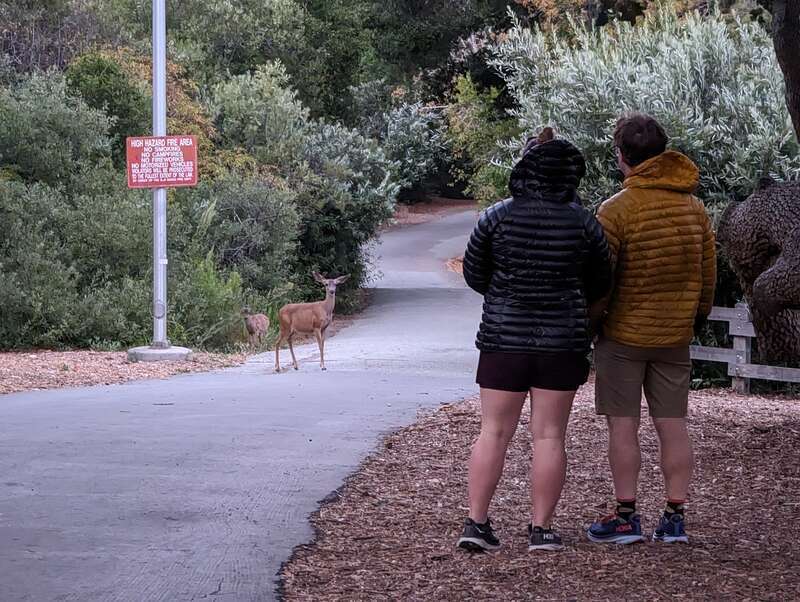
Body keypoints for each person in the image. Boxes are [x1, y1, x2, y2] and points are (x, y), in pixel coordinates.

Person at [457, 128, 612, 553]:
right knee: (548, 437)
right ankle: (541, 530)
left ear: (524, 166)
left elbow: (474, 273)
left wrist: (505, 292)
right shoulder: (584, 223)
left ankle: (476, 523)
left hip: (503, 341)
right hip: (561, 344)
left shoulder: (496, 216)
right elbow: (602, 280)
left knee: (492, 431)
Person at [587, 114, 716, 545]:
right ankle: (674, 516)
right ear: (663, 153)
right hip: (675, 336)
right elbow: (707, 275)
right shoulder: (694, 208)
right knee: (673, 424)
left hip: (622, 337)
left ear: (622, 157)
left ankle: (626, 518)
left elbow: (599, 280)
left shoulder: (614, 211)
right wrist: (693, 318)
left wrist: (594, 324)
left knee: (623, 427)